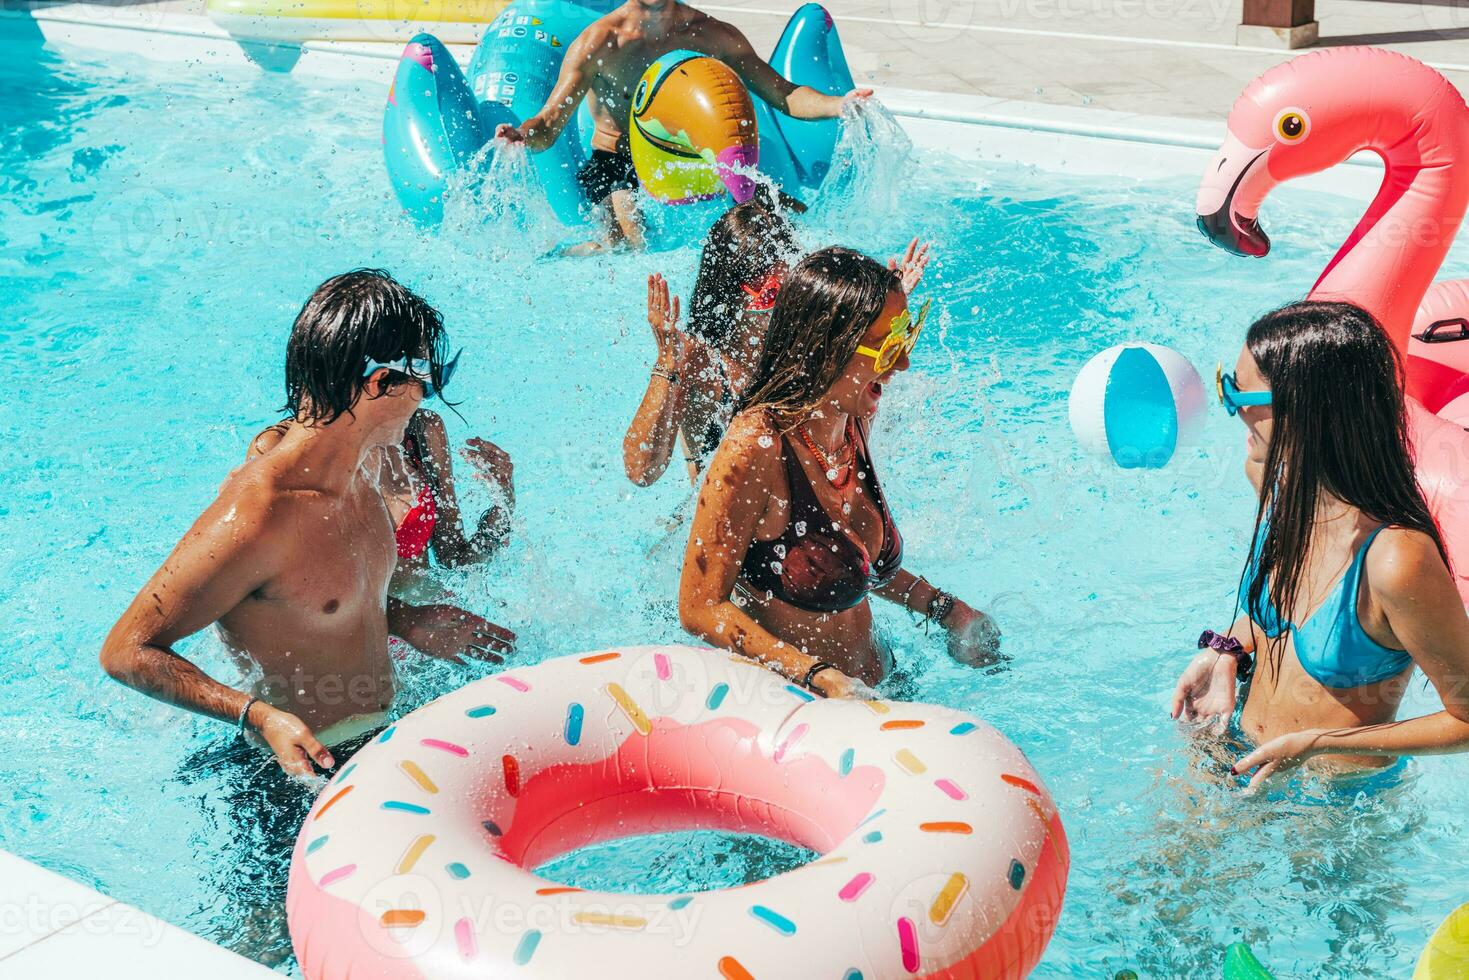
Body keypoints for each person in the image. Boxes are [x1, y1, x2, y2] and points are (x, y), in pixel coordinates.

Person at [100, 269, 517, 779]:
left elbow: (314, 597)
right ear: (380, 383)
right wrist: (258, 716)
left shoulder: (359, 479)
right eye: (427, 383)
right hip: (304, 772)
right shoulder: (260, 512)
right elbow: (126, 650)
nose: (426, 402)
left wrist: (408, 622)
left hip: (386, 734)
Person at [1171, 301, 1469, 789]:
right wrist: (1226, 653)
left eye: (1241, 394)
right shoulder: (1277, 491)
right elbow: (1282, 617)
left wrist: (1320, 743)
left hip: (1329, 805)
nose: (1234, 410)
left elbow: (1467, 719)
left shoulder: (1395, 560)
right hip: (1232, 752)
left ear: (1308, 409)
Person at [678, 246, 999, 699]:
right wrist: (819, 678)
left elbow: (857, 567)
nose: (903, 363)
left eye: (906, 339)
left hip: (885, 686)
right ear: (828, 348)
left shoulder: (850, 421)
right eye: (890, 347)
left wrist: (948, 610)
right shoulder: (758, 445)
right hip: (808, 712)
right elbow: (699, 607)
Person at [495, 0, 871, 251]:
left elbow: (783, 94)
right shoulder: (601, 41)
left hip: (695, 164)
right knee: (634, 248)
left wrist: (841, 105)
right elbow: (548, 124)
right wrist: (522, 136)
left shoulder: (711, 35)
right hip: (619, 168)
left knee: (793, 229)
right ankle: (575, 253)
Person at [623, 197, 932, 487]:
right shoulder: (698, 358)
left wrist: (881, 311)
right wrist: (666, 361)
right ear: (731, 296)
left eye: (790, 291)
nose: (784, 307)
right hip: (719, 519)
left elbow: (863, 397)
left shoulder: (804, 345)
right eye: (771, 295)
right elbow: (641, 471)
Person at [249, 408, 514, 599]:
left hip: (433, 631)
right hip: (360, 645)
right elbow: (274, 588)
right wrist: (407, 624)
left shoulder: (419, 430)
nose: (424, 387)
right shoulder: (279, 448)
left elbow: (457, 561)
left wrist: (504, 502)